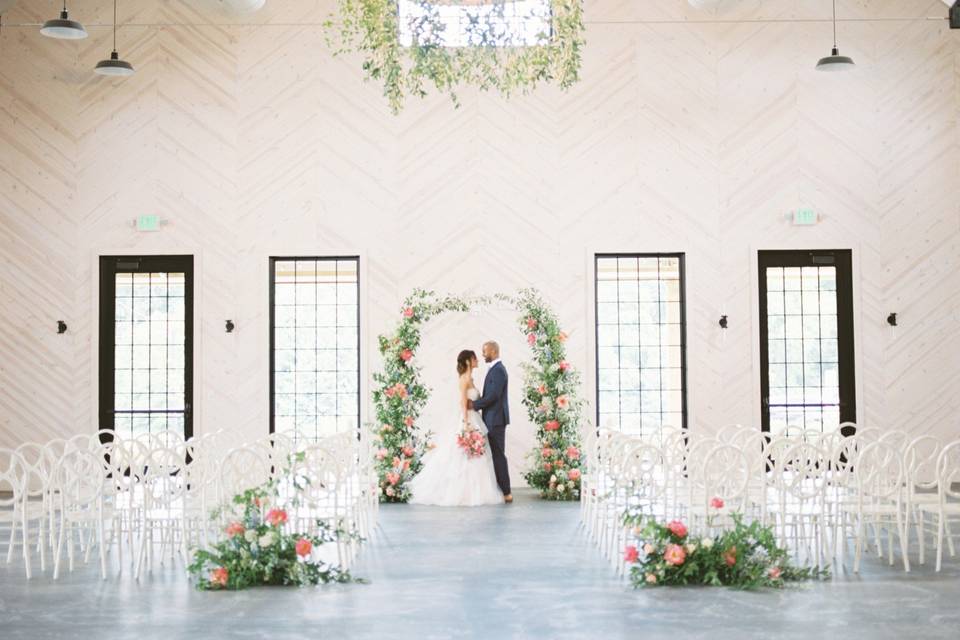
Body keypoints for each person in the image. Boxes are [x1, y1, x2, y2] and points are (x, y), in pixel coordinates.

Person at [407, 349, 503, 506]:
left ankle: (477, 491)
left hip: (476, 418)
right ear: (467, 361)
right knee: (463, 455)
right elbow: (462, 403)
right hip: (468, 419)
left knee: (478, 456)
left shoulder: (471, 378)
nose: (477, 360)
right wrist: (466, 424)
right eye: (474, 359)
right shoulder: (464, 379)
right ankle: (462, 492)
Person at [467, 340, 511, 503]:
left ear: (492, 351)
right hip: (491, 419)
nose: (483, 354)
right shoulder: (495, 369)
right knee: (495, 455)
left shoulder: (499, 370)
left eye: (484, 351)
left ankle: (506, 492)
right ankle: (501, 489)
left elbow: (493, 396)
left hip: (496, 420)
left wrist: (474, 405)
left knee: (499, 455)